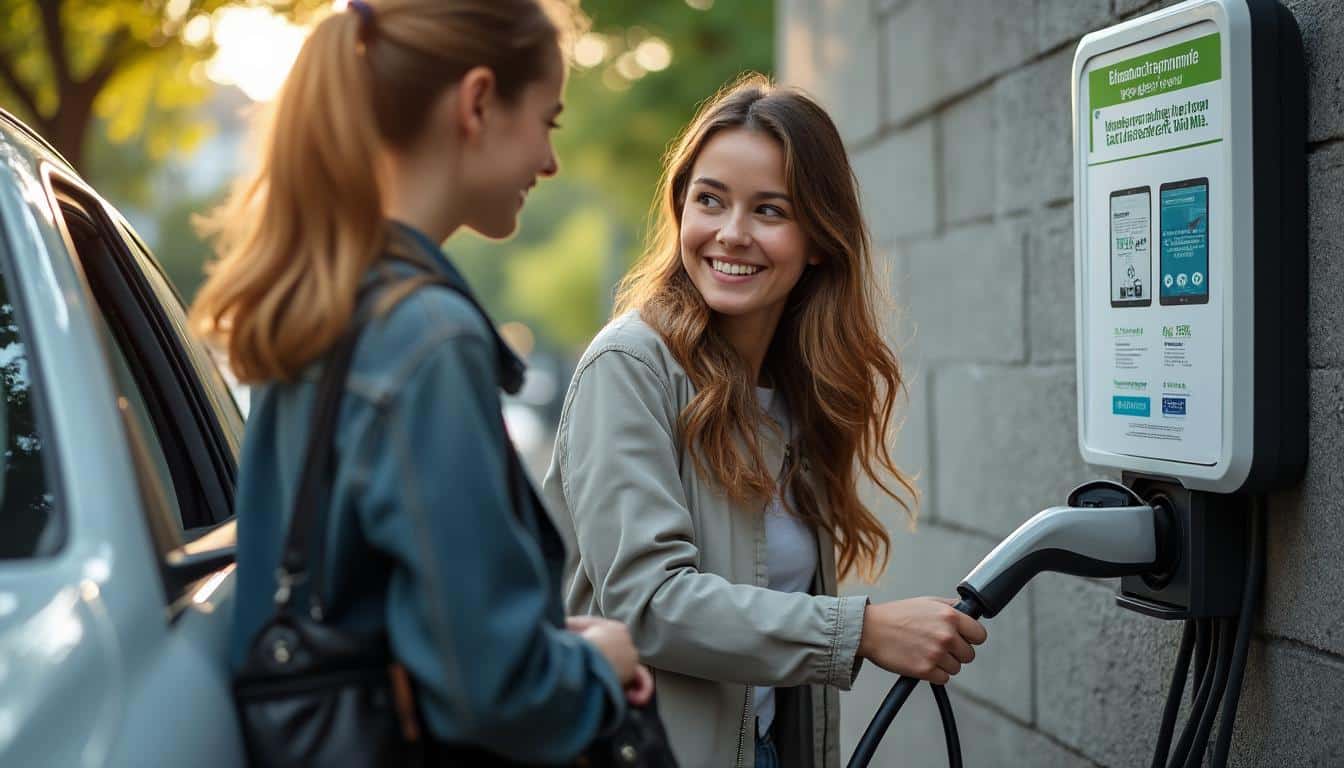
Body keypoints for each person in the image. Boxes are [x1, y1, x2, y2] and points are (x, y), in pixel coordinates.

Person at [189, 0, 649, 762]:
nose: (550, 160)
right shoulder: (426, 337)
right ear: (476, 103)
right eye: (549, 120)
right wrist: (601, 662)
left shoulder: (323, 307)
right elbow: (497, 692)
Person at [542, 74, 988, 768]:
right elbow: (648, 603)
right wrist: (860, 631)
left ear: (818, 237)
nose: (731, 233)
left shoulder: (792, 388)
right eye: (710, 200)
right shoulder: (630, 366)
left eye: (770, 210)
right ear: (680, 207)